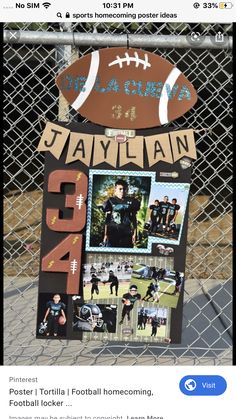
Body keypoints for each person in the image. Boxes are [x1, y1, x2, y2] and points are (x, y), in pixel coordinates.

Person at [102, 179, 140, 248]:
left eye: (124, 189)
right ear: (115, 189)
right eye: (120, 189)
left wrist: (135, 234)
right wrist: (105, 234)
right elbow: (107, 219)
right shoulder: (110, 201)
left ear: (127, 190)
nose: (122, 191)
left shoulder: (132, 201)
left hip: (126, 234)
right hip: (113, 233)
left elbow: (134, 218)